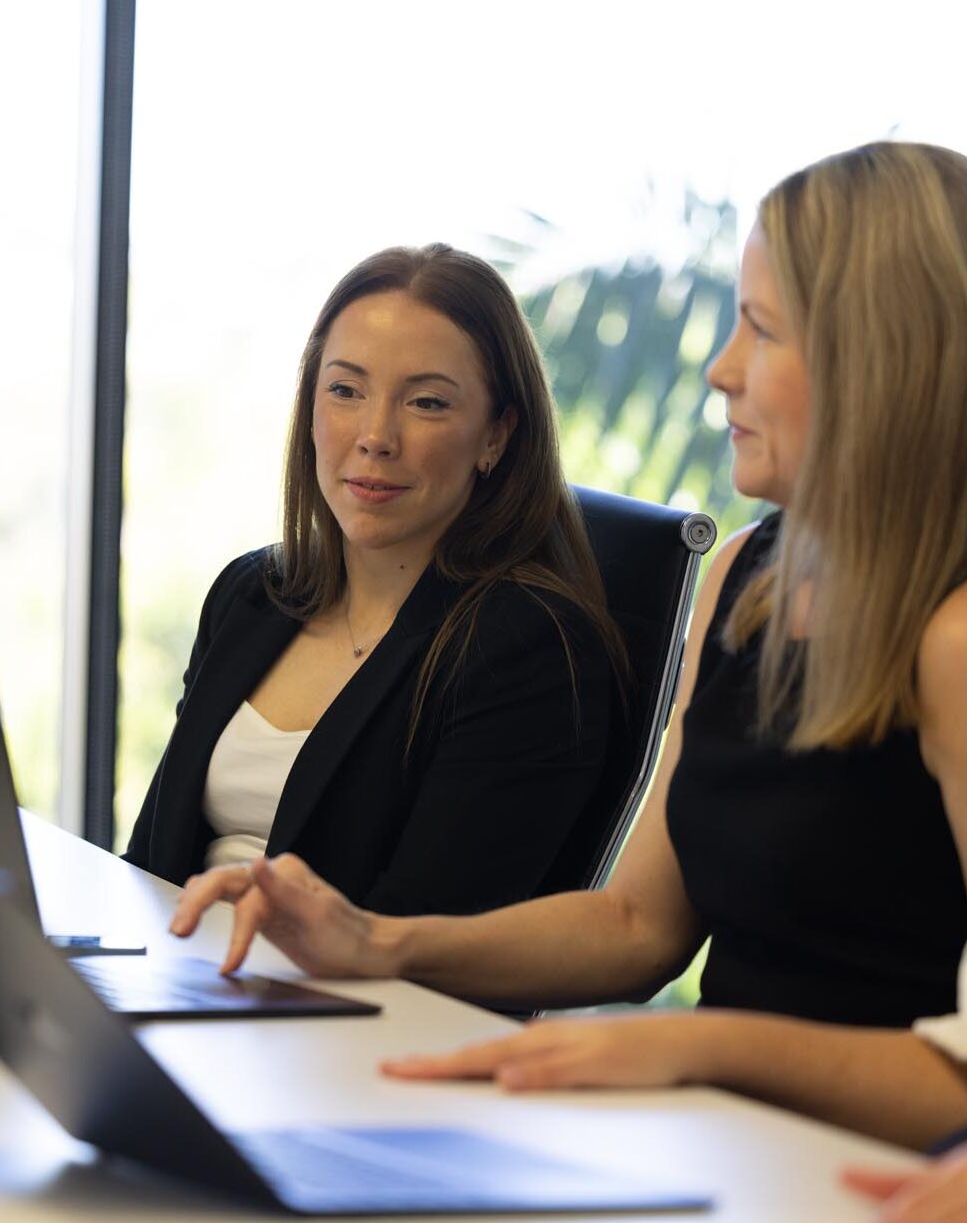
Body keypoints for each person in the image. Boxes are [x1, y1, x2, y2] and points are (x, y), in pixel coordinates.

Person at [169, 142, 967, 1041]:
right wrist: (372, 942)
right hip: (745, 1132)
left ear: (898, 362)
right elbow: (636, 930)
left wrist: (680, 1053)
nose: (720, 366)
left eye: (764, 330)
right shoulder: (749, 578)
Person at [126, 243, 627, 917]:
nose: (375, 435)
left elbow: (425, 932)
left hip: (352, 1013)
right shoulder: (254, 593)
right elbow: (151, 860)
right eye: (345, 390)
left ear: (496, 436)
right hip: (177, 979)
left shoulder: (528, 649)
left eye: (425, 402)